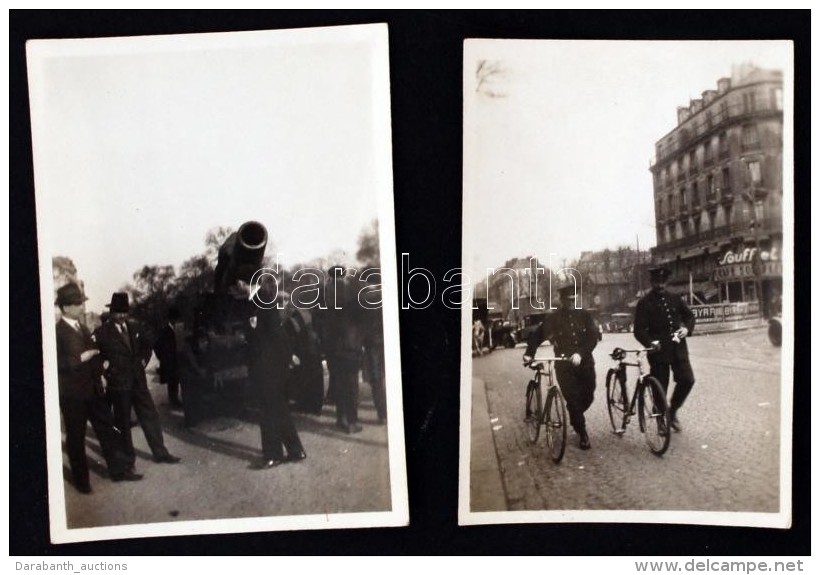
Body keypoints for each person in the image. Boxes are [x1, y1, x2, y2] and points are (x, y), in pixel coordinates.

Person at [54, 283, 143, 493]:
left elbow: (95, 352)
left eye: (81, 303)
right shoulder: (56, 332)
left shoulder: (82, 327)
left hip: (93, 390)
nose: (81, 307)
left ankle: (119, 471)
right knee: (76, 438)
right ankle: (82, 483)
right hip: (73, 395)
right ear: (65, 307)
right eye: (77, 304)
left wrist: (100, 373)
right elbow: (54, 363)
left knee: (107, 430)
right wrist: (79, 358)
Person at [95, 292, 181, 469]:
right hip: (119, 385)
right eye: (118, 312)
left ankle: (161, 453)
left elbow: (148, 345)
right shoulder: (102, 333)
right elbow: (97, 357)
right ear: (111, 312)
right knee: (123, 423)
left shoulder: (135, 328)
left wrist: (144, 359)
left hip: (139, 382)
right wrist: (107, 370)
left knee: (150, 416)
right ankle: (128, 461)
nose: (121, 316)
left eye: (124, 312)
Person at [523, 283, 598, 450]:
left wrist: (581, 353)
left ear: (575, 299)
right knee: (573, 398)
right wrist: (530, 353)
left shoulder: (585, 315)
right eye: (567, 300)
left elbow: (593, 337)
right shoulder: (554, 318)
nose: (570, 303)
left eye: (573, 299)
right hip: (564, 366)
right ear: (562, 300)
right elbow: (537, 335)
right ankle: (582, 433)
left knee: (589, 395)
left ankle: (574, 414)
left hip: (585, 363)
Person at [243, 280, 306, 468]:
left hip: (267, 367)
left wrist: (252, 329)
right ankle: (296, 451)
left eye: (238, 284)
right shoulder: (262, 300)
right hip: (270, 365)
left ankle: (273, 455)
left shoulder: (261, 300)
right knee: (278, 409)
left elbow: (274, 335)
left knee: (268, 411)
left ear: (245, 284)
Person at [633, 266, 696, 432]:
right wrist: (650, 342)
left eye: (663, 282)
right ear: (652, 282)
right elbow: (638, 330)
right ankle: (661, 418)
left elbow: (689, 316)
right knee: (660, 386)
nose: (660, 286)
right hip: (658, 350)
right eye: (657, 282)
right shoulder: (644, 303)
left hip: (678, 348)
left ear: (666, 282)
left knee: (687, 379)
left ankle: (672, 410)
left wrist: (686, 329)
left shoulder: (675, 298)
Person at [318, 267, 366, 434]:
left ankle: (341, 418)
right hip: (349, 346)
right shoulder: (351, 291)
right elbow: (361, 316)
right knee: (351, 384)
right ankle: (351, 422)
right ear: (343, 275)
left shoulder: (323, 293)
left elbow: (319, 318)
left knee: (338, 382)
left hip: (332, 347)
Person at [153, 306, 183, 408]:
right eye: (176, 319)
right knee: (172, 381)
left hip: (176, 359)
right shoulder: (165, 331)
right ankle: (173, 400)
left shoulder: (177, 329)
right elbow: (157, 345)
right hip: (169, 360)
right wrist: (162, 358)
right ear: (171, 319)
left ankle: (175, 399)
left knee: (175, 380)